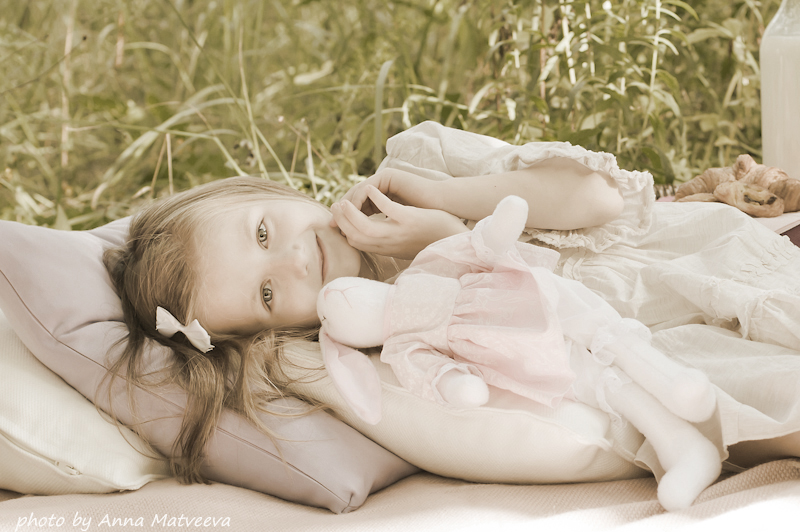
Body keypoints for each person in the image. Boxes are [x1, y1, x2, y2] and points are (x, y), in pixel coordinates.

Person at [104, 121, 800, 487]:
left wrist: (443, 203)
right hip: (656, 345)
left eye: (263, 232)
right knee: (761, 401)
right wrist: (445, 246)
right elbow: (553, 332)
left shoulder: (416, 163)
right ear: (276, 328)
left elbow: (598, 199)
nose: (292, 260)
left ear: (269, 193)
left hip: (703, 257)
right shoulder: (387, 338)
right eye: (266, 293)